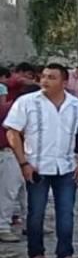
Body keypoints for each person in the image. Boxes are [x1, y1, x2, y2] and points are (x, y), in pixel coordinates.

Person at [4, 63, 78, 258]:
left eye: (52, 77)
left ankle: (64, 255)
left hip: (65, 167)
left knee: (66, 212)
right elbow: (12, 131)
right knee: (35, 212)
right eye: (44, 76)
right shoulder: (27, 102)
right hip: (36, 166)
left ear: (64, 82)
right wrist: (23, 162)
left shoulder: (76, 106)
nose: (45, 81)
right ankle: (36, 253)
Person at [0, 94, 24, 242]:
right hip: (9, 152)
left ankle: (32, 222)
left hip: (14, 153)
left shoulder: (7, 108)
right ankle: (2, 227)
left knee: (22, 190)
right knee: (9, 191)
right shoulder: (12, 110)